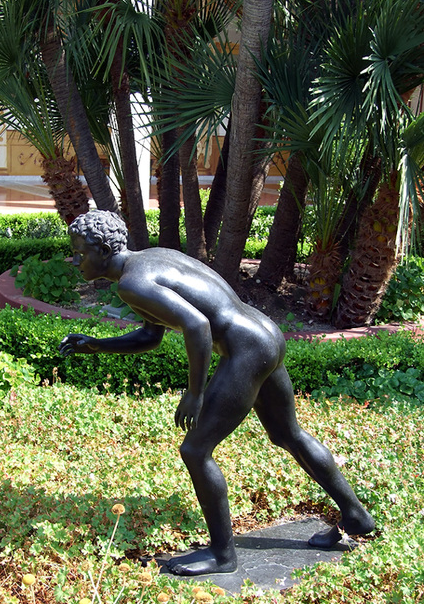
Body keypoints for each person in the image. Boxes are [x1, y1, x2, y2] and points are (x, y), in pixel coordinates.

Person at [58, 209, 375, 577]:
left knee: (195, 449)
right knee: (288, 433)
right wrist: (97, 345)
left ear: (102, 249)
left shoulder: (132, 284)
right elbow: (151, 335)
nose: (76, 260)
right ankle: (357, 516)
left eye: (80, 252)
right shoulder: (148, 261)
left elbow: (197, 325)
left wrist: (196, 393)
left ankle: (223, 556)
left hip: (246, 350)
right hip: (264, 334)